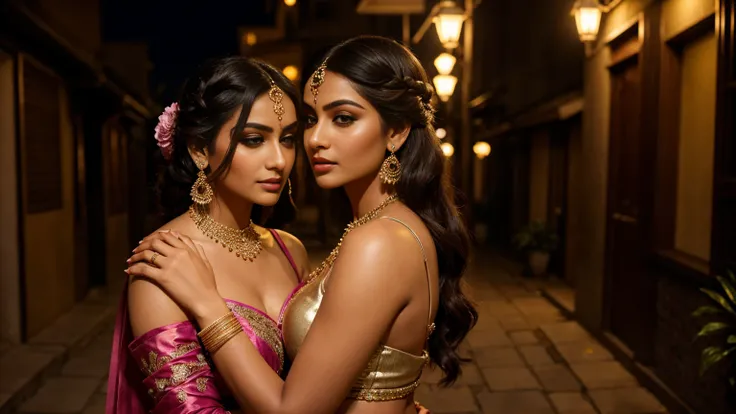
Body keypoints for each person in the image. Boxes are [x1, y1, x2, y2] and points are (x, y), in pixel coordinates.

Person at [128, 35, 477, 414]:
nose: (313, 142)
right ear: (198, 150)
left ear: (396, 131)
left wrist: (208, 305)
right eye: (311, 121)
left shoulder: (366, 240)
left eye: (342, 118)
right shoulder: (167, 260)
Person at [107, 56, 309, 413]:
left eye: (288, 138)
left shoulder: (290, 250)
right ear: (200, 149)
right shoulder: (162, 264)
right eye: (253, 139)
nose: (279, 159)